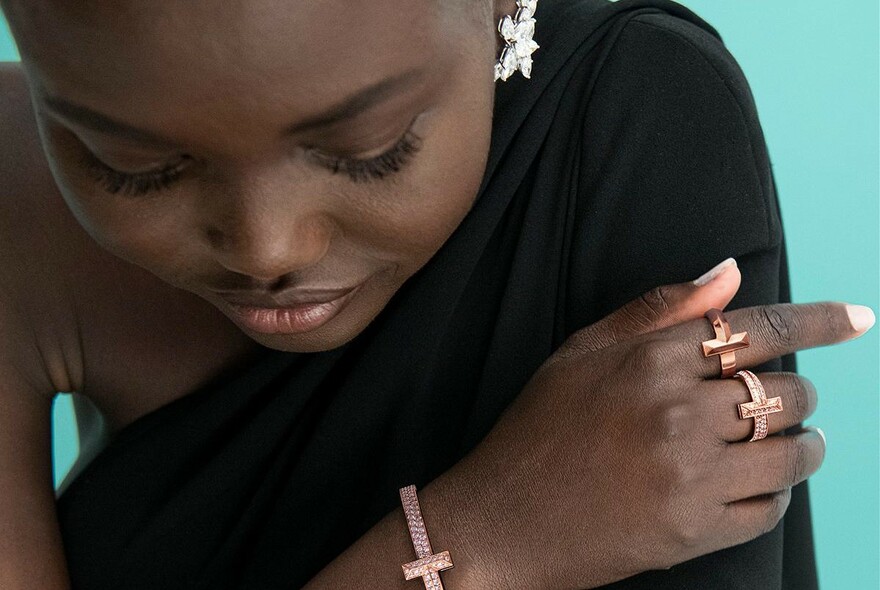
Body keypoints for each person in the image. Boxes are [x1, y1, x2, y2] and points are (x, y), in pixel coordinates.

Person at [0, 0, 873, 588]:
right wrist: (485, 540)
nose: (269, 251)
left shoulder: (629, 121)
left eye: (370, 149)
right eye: (135, 168)